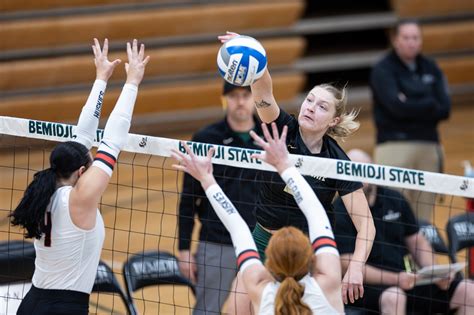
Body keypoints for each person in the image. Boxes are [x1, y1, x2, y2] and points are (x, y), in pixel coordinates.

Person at [218, 32, 375, 308]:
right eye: (310, 100)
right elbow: (263, 92)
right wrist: (257, 57)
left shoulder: (336, 161)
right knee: (236, 308)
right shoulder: (282, 129)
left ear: (333, 120)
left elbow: (366, 224)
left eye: (322, 106)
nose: (311, 108)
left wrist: (357, 266)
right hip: (264, 239)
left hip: (309, 254)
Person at [10, 38, 150, 314]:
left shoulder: (45, 187)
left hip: (32, 303)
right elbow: (111, 142)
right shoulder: (80, 199)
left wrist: (101, 78)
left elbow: (82, 137)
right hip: (64, 308)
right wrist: (132, 82)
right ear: (82, 172)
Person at [172, 122, 344, 314]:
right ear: (310, 258)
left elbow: (237, 228)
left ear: (269, 263)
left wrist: (206, 180)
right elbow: (316, 212)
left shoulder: (260, 292)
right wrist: (285, 167)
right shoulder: (329, 282)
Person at [333, 149, 474, 314]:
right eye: (353, 171)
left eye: (363, 169)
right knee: (395, 296)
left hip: (406, 280)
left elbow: (417, 242)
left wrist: (435, 272)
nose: (359, 177)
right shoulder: (339, 209)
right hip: (364, 287)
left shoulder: (395, 199)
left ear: (374, 170)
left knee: (467, 289)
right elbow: (346, 263)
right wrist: (396, 279)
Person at [177, 82, 262, 314]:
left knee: (260, 308)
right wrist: (184, 249)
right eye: (234, 96)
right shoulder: (205, 138)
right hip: (216, 243)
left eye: (246, 95)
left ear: (255, 98)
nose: (241, 101)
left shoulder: (268, 138)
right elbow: (188, 200)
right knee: (207, 310)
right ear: (225, 99)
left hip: (261, 243)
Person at [370, 20, 451, 222]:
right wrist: (429, 103)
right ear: (395, 40)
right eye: (406, 38)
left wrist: (410, 101)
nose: (411, 42)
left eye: (415, 38)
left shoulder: (431, 68)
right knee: (393, 214)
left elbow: (445, 109)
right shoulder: (382, 69)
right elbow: (396, 107)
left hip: (429, 146)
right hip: (393, 146)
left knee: (423, 220)